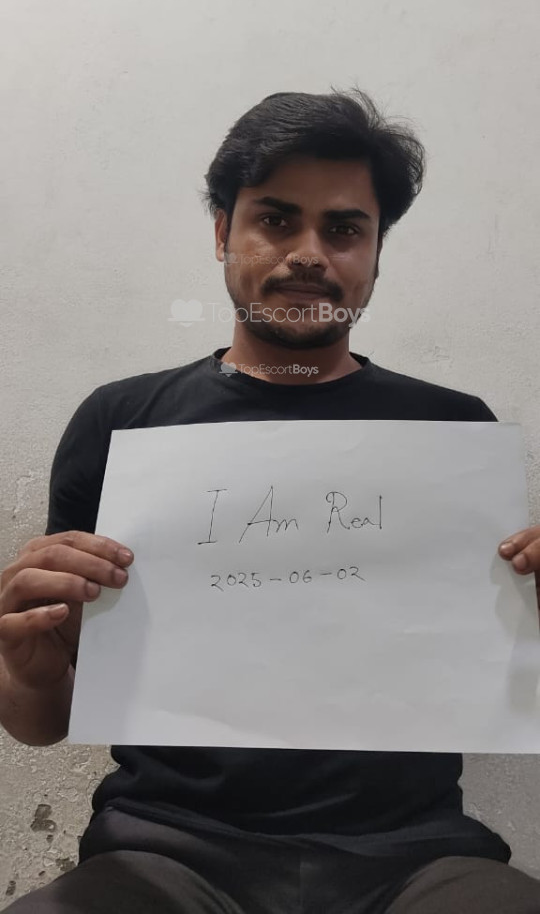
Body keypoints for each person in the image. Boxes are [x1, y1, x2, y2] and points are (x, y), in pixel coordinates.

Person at [1, 89, 539, 913]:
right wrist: (26, 666)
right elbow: (43, 721)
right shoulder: (122, 421)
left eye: (344, 229)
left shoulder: (454, 432)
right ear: (224, 232)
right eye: (277, 220)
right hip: (163, 849)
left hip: (418, 857)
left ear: (377, 253)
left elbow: (495, 683)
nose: (309, 253)